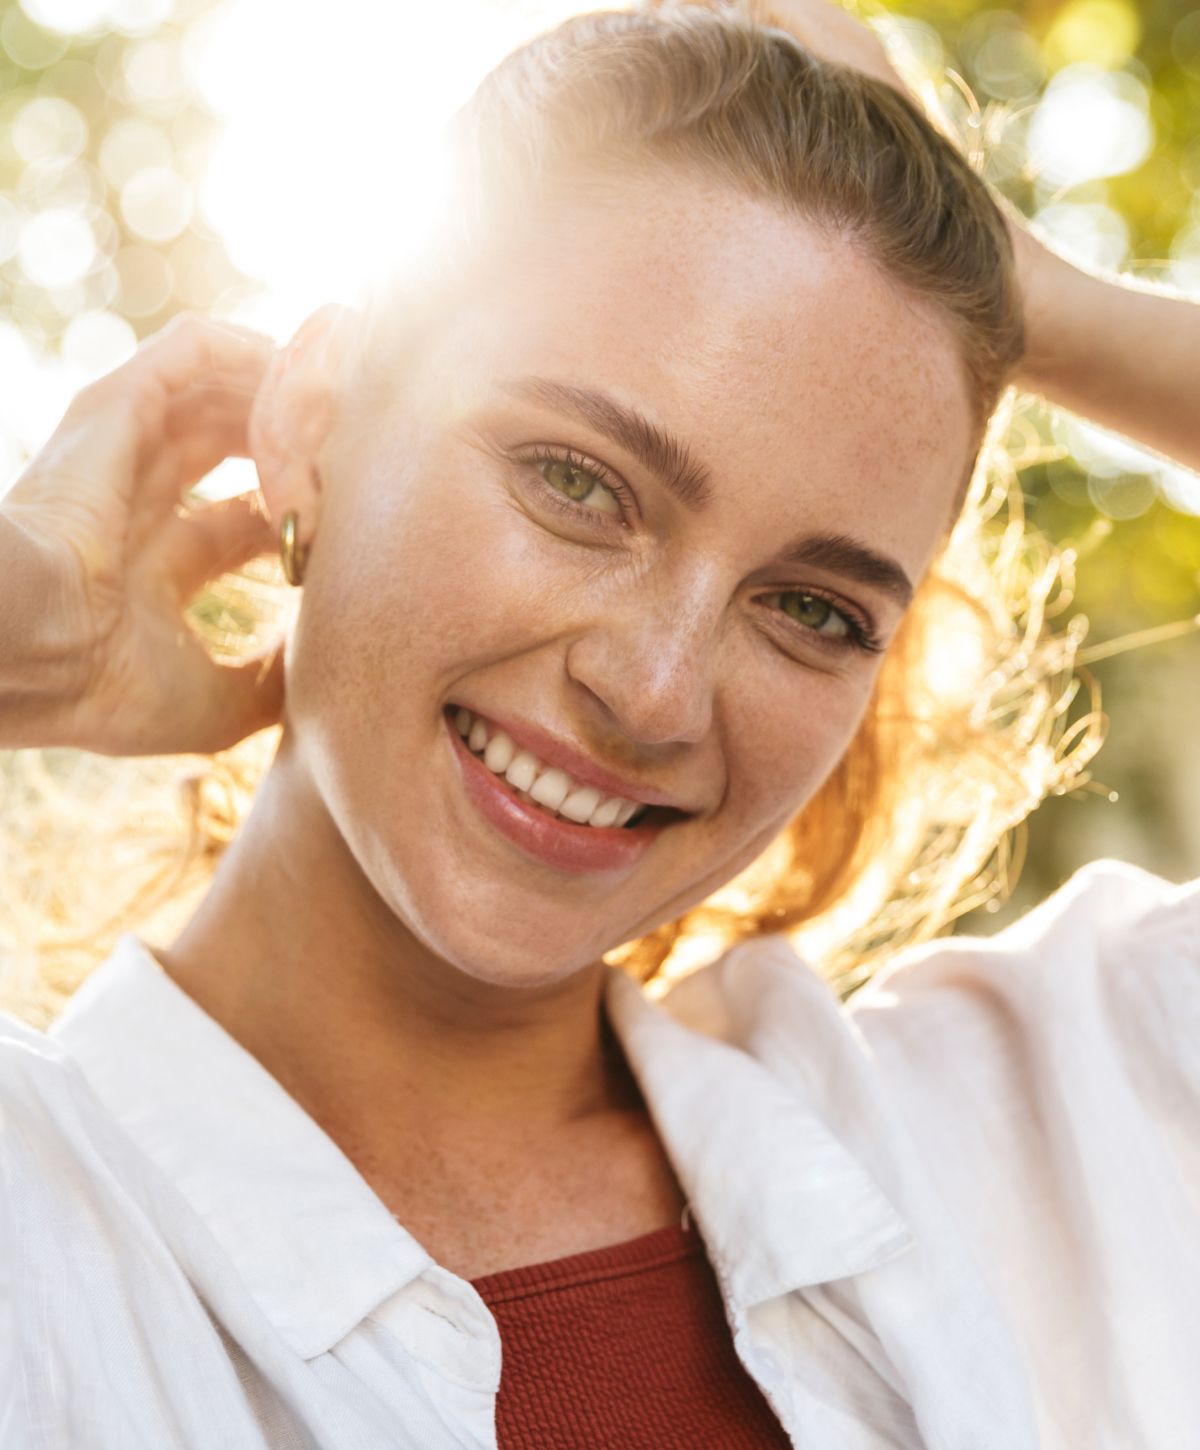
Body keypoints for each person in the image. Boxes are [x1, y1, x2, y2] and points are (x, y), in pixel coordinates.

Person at [2, 1, 1197, 1446]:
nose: (655, 692)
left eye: (811, 609)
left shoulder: (1029, 1144)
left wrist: (1020, 298)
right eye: (577, 482)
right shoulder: (36, 1231)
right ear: (315, 419)